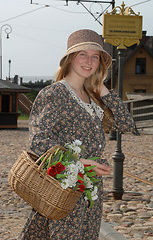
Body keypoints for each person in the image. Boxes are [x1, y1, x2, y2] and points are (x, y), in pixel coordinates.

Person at [19, 29, 136, 240]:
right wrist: (82, 162)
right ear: (70, 58)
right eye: (82, 54)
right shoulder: (54, 94)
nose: (89, 61)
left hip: (91, 192)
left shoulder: (93, 97)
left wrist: (103, 91)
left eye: (95, 56)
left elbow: (126, 124)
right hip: (63, 189)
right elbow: (39, 141)